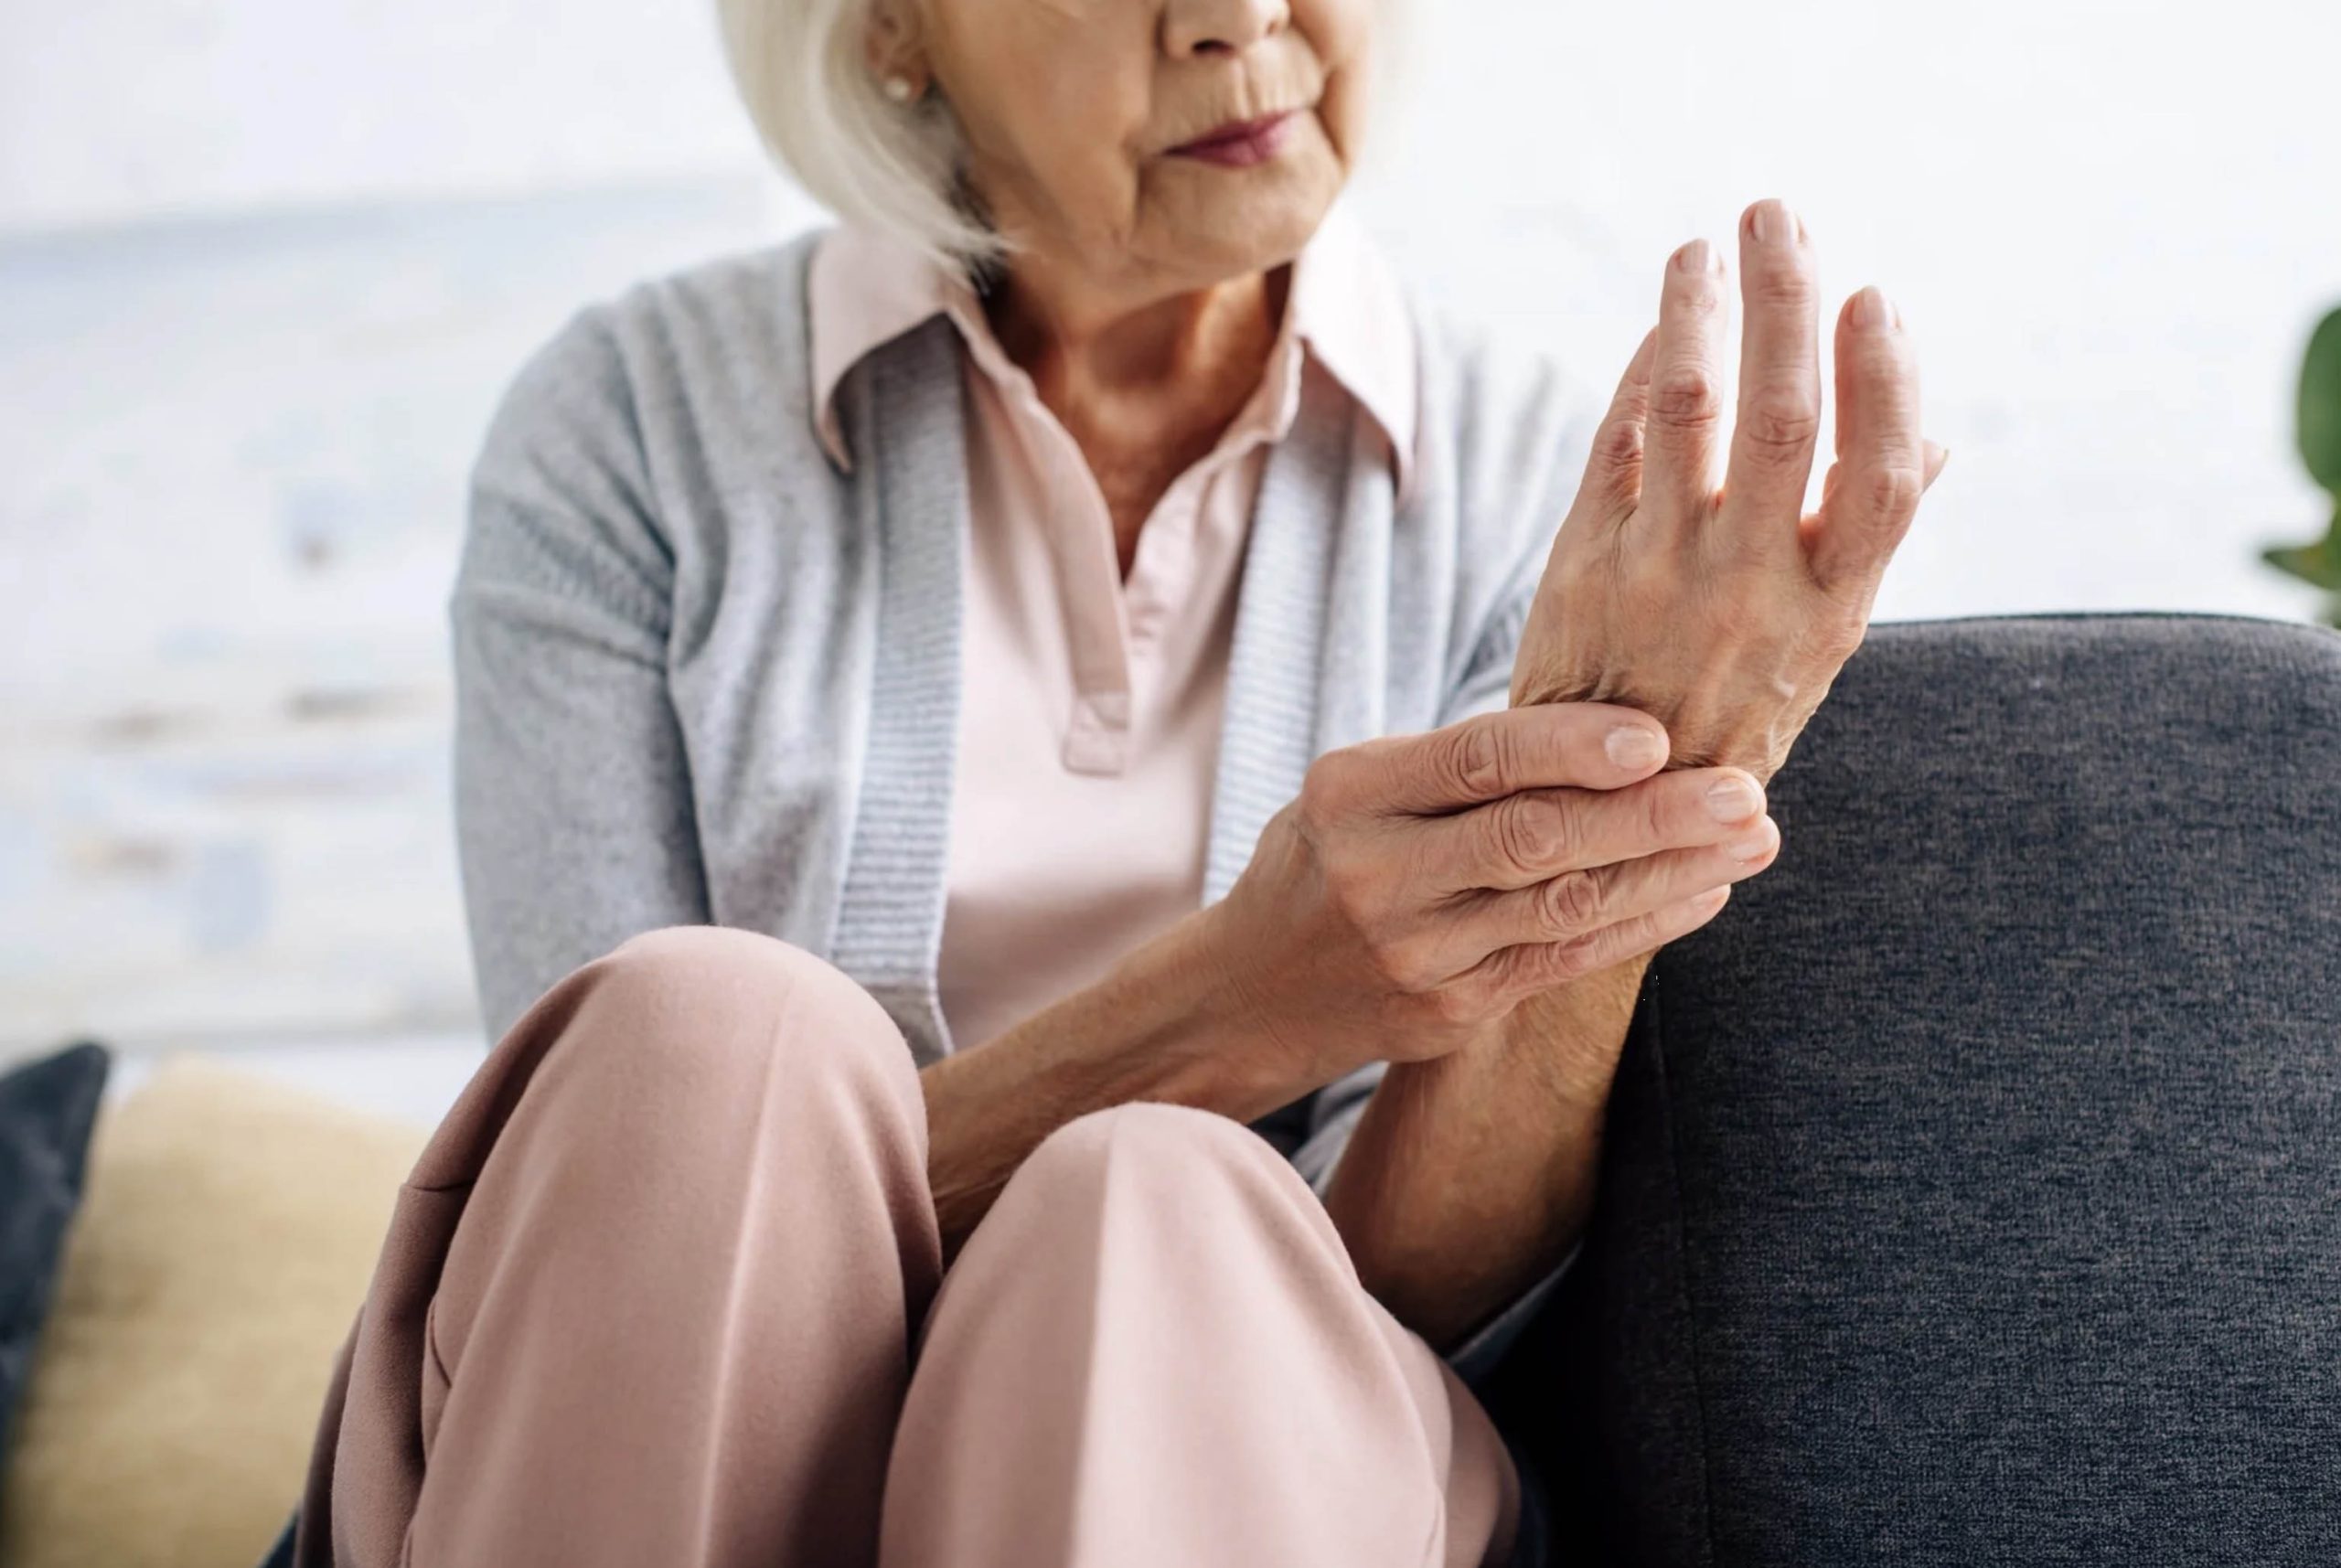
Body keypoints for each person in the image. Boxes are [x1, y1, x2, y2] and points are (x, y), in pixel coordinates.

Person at [284, 0, 1948, 1563]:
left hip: (1229, 1443)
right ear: (891, 27)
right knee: (713, 1037)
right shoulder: (631, 431)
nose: (1239, 15)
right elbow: (615, 1218)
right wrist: (1241, 999)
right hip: (625, 1436)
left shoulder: (1537, 486)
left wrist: (1611, 848)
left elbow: (1411, 1304)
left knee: (1147, 1225)